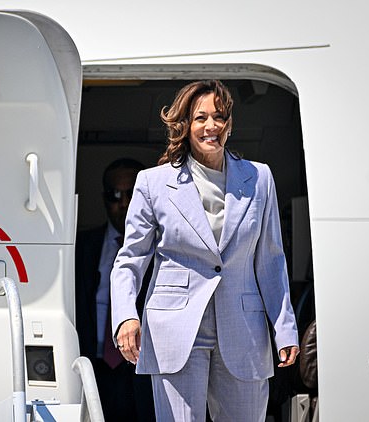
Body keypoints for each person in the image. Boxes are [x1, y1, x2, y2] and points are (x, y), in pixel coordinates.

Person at [110, 80, 299, 421]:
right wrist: (126, 315)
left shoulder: (260, 178)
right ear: (184, 124)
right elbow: (131, 259)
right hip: (175, 327)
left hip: (243, 327)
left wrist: (284, 328)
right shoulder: (152, 182)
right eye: (201, 117)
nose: (212, 125)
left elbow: (271, 260)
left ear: (229, 124)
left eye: (220, 116)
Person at [75, 158, 155, 421]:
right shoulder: (82, 247)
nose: (123, 203)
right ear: (103, 198)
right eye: (115, 194)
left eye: (131, 194)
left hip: (144, 368)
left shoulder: (163, 249)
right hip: (93, 366)